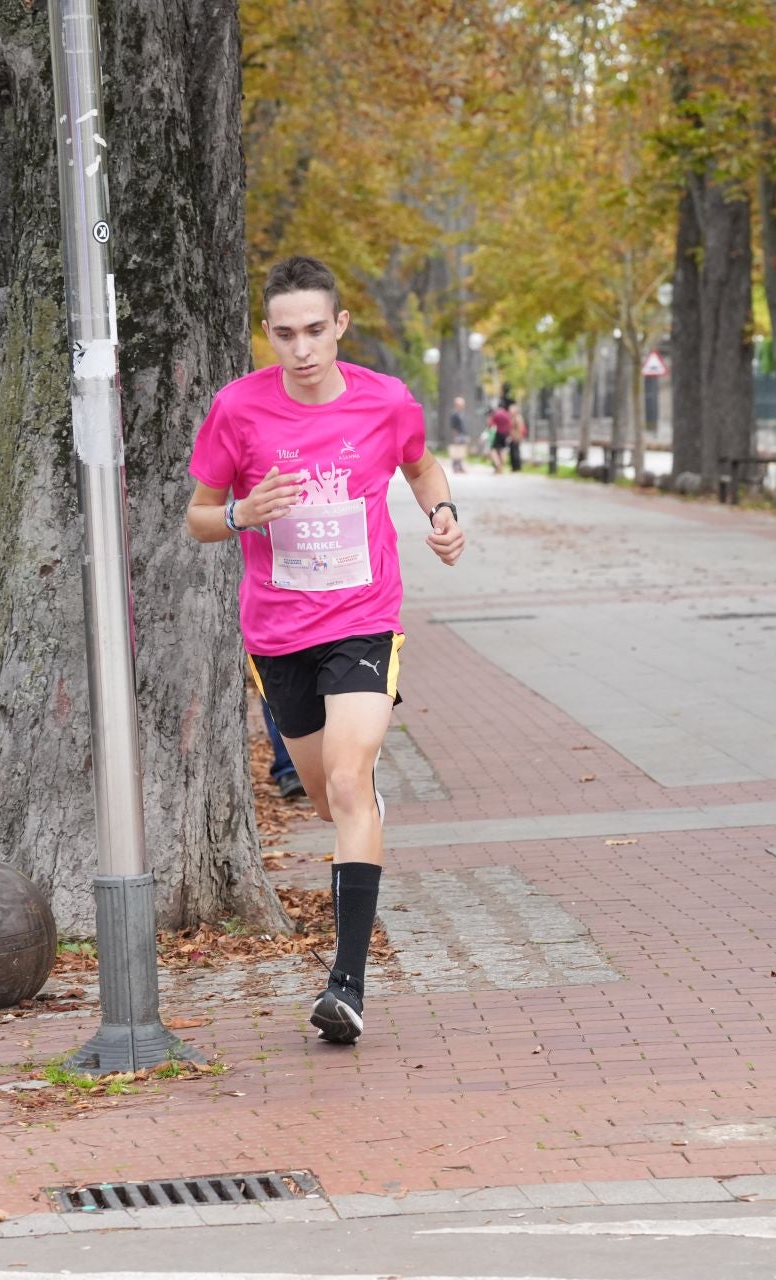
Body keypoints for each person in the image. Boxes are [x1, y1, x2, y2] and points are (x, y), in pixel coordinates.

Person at [185, 255, 464, 1046]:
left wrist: (441, 512)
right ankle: (362, 821)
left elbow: (420, 463)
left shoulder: (386, 400)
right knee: (330, 796)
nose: (302, 349)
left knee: (348, 778)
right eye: (284, 334)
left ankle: (346, 985)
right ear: (266, 334)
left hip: (364, 619)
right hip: (277, 634)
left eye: (315, 330)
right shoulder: (238, 410)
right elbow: (198, 517)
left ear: (339, 325)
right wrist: (243, 512)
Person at [488, 401, 513, 474]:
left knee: (493, 449)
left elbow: (490, 424)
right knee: (503, 449)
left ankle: (497, 463)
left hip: (497, 433)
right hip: (505, 434)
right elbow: (509, 425)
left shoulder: (496, 413)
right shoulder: (507, 414)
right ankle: (502, 466)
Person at [447, 396, 468, 475]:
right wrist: (455, 436)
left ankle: (460, 466)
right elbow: (453, 426)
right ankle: (455, 467)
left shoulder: (461, 414)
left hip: (462, 434)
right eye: (461, 405)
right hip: (457, 434)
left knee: (461, 451)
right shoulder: (454, 414)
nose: (463, 406)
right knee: (456, 451)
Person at [506, 399, 526, 473]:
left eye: (511, 410)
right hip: (512, 437)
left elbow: (520, 428)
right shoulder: (513, 418)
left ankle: (517, 467)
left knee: (515, 452)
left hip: (516, 437)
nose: (509, 411)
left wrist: (518, 437)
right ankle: (514, 467)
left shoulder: (517, 418)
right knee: (512, 452)